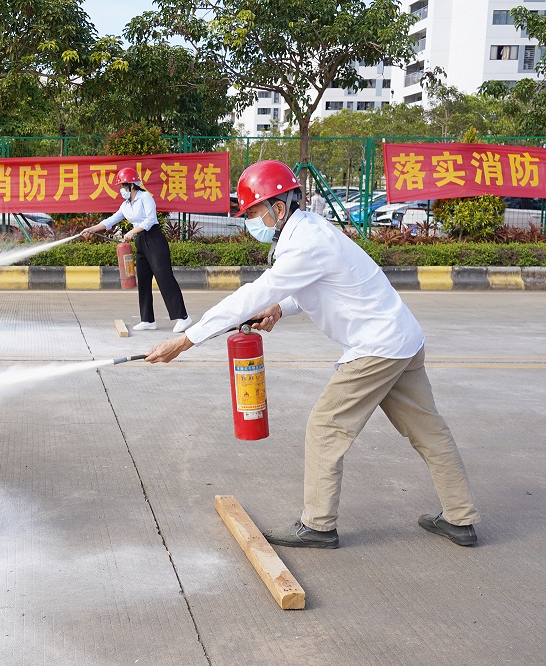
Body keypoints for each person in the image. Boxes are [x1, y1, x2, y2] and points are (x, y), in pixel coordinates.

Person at [143, 159, 479, 549]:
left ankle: (318, 526)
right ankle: (461, 519)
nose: (249, 221)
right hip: (401, 337)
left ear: (278, 208)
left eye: (252, 212)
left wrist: (186, 340)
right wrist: (280, 307)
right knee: (429, 431)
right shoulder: (311, 230)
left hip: (377, 348)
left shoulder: (305, 243)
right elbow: (317, 286)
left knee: (325, 427)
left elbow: (251, 296)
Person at [80, 167, 192, 332]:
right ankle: (148, 319)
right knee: (143, 279)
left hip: (154, 239)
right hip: (140, 241)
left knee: (164, 277)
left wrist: (132, 231)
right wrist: (92, 229)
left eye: (122, 186)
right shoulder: (125, 205)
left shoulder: (145, 197)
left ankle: (183, 317)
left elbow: (150, 219)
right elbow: (111, 220)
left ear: (131, 185)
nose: (120, 190)